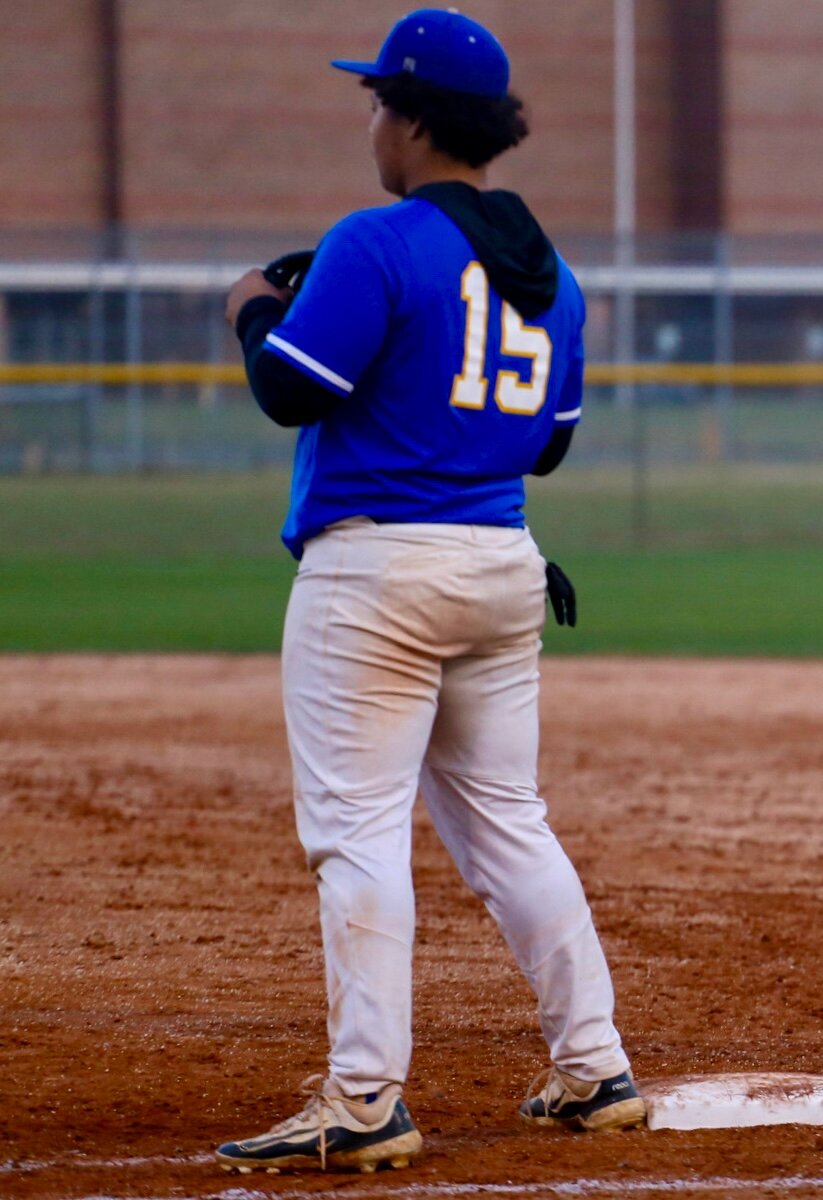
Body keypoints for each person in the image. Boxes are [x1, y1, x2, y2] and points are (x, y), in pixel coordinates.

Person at [215, 9, 644, 1173]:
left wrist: (253, 305)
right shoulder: (551, 270)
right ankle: (594, 1063)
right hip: (499, 568)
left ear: (408, 117)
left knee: (356, 833)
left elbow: (288, 391)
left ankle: (363, 1100)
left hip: (376, 577)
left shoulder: (378, 238)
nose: (373, 124)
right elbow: (545, 448)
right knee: (509, 824)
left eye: (377, 104)